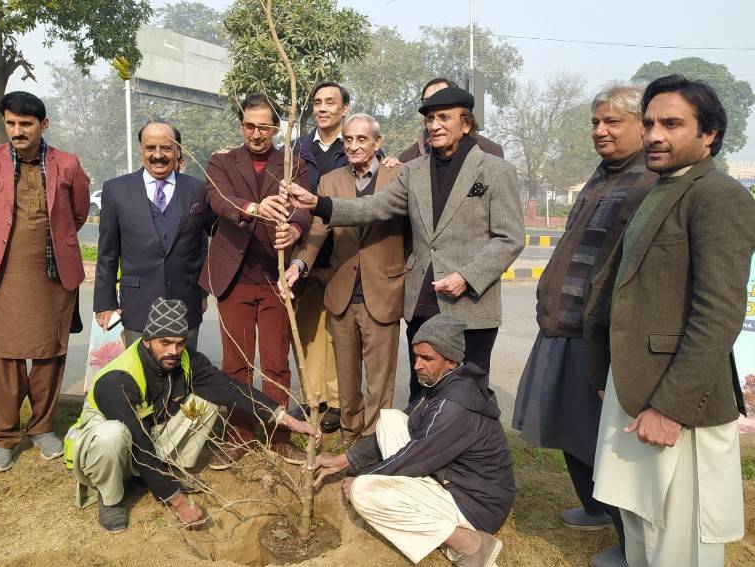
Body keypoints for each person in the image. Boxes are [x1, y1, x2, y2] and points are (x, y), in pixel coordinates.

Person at [585, 75, 755, 567]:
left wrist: (672, 408)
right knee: (642, 524)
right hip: (635, 390)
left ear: (709, 135)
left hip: (678, 407)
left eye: (673, 124)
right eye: (651, 122)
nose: (656, 134)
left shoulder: (718, 196)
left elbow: (719, 312)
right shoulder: (661, 189)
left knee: (679, 542)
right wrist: (611, 376)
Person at [278, 87, 525, 403]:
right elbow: (374, 207)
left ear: (466, 124)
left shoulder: (495, 170)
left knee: (470, 390)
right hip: (424, 296)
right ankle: (418, 449)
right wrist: (320, 204)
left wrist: (466, 277)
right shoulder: (413, 171)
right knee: (421, 389)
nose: (434, 125)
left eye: (444, 118)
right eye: (431, 119)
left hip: (471, 303)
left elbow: (510, 238)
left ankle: (468, 452)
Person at [512, 84, 657, 567]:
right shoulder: (603, 176)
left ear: (643, 124)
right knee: (566, 430)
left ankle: (629, 540)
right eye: (596, 122)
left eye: (612, 122)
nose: (600, 131)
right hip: (563, 325)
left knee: (606, 442)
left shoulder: (649, 184)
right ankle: (596, 508)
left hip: (600, 338)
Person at [63, 297, 318, 533]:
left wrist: (285, 417)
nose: (173, 351)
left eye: (180, 342)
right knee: (113, 434)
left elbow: (229, 389)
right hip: (103, 451)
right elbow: (139, 442)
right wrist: (178, 502)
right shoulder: (117, 378)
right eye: (165, 343)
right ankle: (111, 499)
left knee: (206, 402)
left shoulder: (184, 360)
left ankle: (163, 472)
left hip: (144, 440)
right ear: (148, 339)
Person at [311, 314, 515, 566]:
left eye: (427, 358)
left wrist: (363, 478)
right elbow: (407, 436)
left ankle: (472, 544)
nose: (417, 364)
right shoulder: (445, 383)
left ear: (451, 360)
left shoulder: (454, 406)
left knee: (363, 491)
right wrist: (344, 461)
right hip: (453, 479)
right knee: (391, 419)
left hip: (476, 506)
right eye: (416, 356)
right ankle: (433, 519)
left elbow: (413, 457)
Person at [0, 91, 89, 473]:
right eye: (11, 123)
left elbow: (79, 212)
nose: (17, 131)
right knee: (1, 357)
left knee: (49, 356)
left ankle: (42, 429)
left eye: (25, 123)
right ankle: (4, 436)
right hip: (4, 276)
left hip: (53, 278)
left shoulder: (67, 164)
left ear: (43, 124)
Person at [200, 93, 311, 467]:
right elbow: (218, 199)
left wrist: (295, 229)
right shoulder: (220, 161)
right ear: (241, 125)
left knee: (278, 363)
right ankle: (239, 436)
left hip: (276, 278)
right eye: (250, 125)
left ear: (277, 128)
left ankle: (279, 437)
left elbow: (305, 211)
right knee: (237, 364)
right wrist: (252, 208)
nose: (257, 133)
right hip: (234, 275)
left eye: (264, 126)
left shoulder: (293, 164)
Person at [284, 113, 406, 446]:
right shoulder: (330, 181)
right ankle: (352, 441)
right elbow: (318, 232)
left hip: (383, 292)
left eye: (361, 139)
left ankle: (375, 444)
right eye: (348, 139)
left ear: (377, 143)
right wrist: (298, 264)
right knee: (347, 380)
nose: (353, 145)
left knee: (380, 381)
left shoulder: (400, 175)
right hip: (342, 293)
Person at [94, 120, 215, 349]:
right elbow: (107, 252)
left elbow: (202, 244)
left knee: (183, 374)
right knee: (138, 376)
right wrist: (104, 303)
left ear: (177, 150)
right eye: (150, 148)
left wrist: (202, 291)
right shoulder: (116, 190)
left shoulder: (198, 189)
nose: (158, 155)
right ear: (141, 149)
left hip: (185, 303)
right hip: (137, 306)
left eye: (166, 148)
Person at [289, 81, 351, 432]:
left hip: (344, 253)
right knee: (310, 331)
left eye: (331, 102)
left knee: (340, 334)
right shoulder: (297, 149)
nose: (323, 108)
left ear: (344, 109)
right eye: (317, 102)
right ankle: (314, 400)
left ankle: (341, 402)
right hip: (306, 253)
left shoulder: (356, 145)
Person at [398, 78, 503, 163]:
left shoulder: (490, 152)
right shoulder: (407, 158)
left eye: (442, 97)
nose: (434, 103)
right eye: (427, 101)